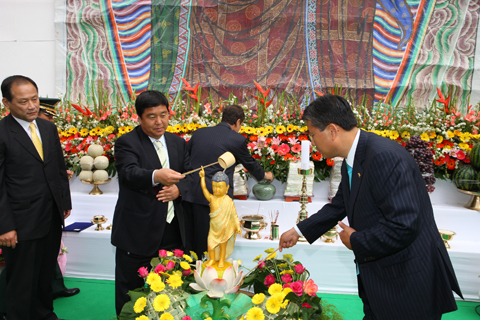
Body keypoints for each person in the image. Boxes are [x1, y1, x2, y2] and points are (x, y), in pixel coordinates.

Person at [279, 94, 463, 320]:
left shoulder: (383, 157)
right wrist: (298, 231)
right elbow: (340, 206)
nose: (312, 141)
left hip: (407, 282)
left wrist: (355, 240)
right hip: (384, 279)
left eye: (311, 134)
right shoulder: (356, 156)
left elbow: (404, 225)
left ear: (332, 130)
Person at [111, 90, 190, 316]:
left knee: (171, 286)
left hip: (173, 229)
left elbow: (191, 175)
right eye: (152, 116)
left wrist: (178, 189)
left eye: (163, 115)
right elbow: (128, 173)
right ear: (139, 118)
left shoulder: (178, 142)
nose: (159, 122)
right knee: (131, 290)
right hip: (138, 231)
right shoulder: (127, 142)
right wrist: (156, 175)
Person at [0, 75, 72, 320]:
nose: (32, 106)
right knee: (21, 280)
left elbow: (58, 169)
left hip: (50, 216)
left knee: (44, 275)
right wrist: (5, 226)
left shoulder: (47, 127)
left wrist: (65, 202)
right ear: (6, 103)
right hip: (20, 222)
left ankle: (45, 315)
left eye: (35, 99)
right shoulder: (2, 133)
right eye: (23, 101)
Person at [183, 104, 273, 258]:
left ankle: (189, 271)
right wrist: (265, 175)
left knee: (189, 239)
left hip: (189, 192)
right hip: (215, 197)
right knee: (211, 240)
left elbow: (185, 157)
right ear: (238, 122)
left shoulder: (199, 133)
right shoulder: (237, 139)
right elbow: (249, 163)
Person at [37, 97, 80, 299]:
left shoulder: (47, 133)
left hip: (51, 206)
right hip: (29, 209)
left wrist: (64, 202)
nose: (50, 121)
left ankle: (54, 288)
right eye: (47, 116)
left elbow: (59, 171)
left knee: (49, 251)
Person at [199, 168, 241, 268]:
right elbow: (204, 189)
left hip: (224, 228)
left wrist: (237, 226)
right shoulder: (212, 198)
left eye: (220, 187)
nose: (217, 189)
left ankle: (221, 259)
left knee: (223, 246)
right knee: (210, 245)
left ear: (227, 188)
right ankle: (212, 259)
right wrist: (202, 178)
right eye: (214, 186)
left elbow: (234, 215)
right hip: (213, 229)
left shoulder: (228, 201)